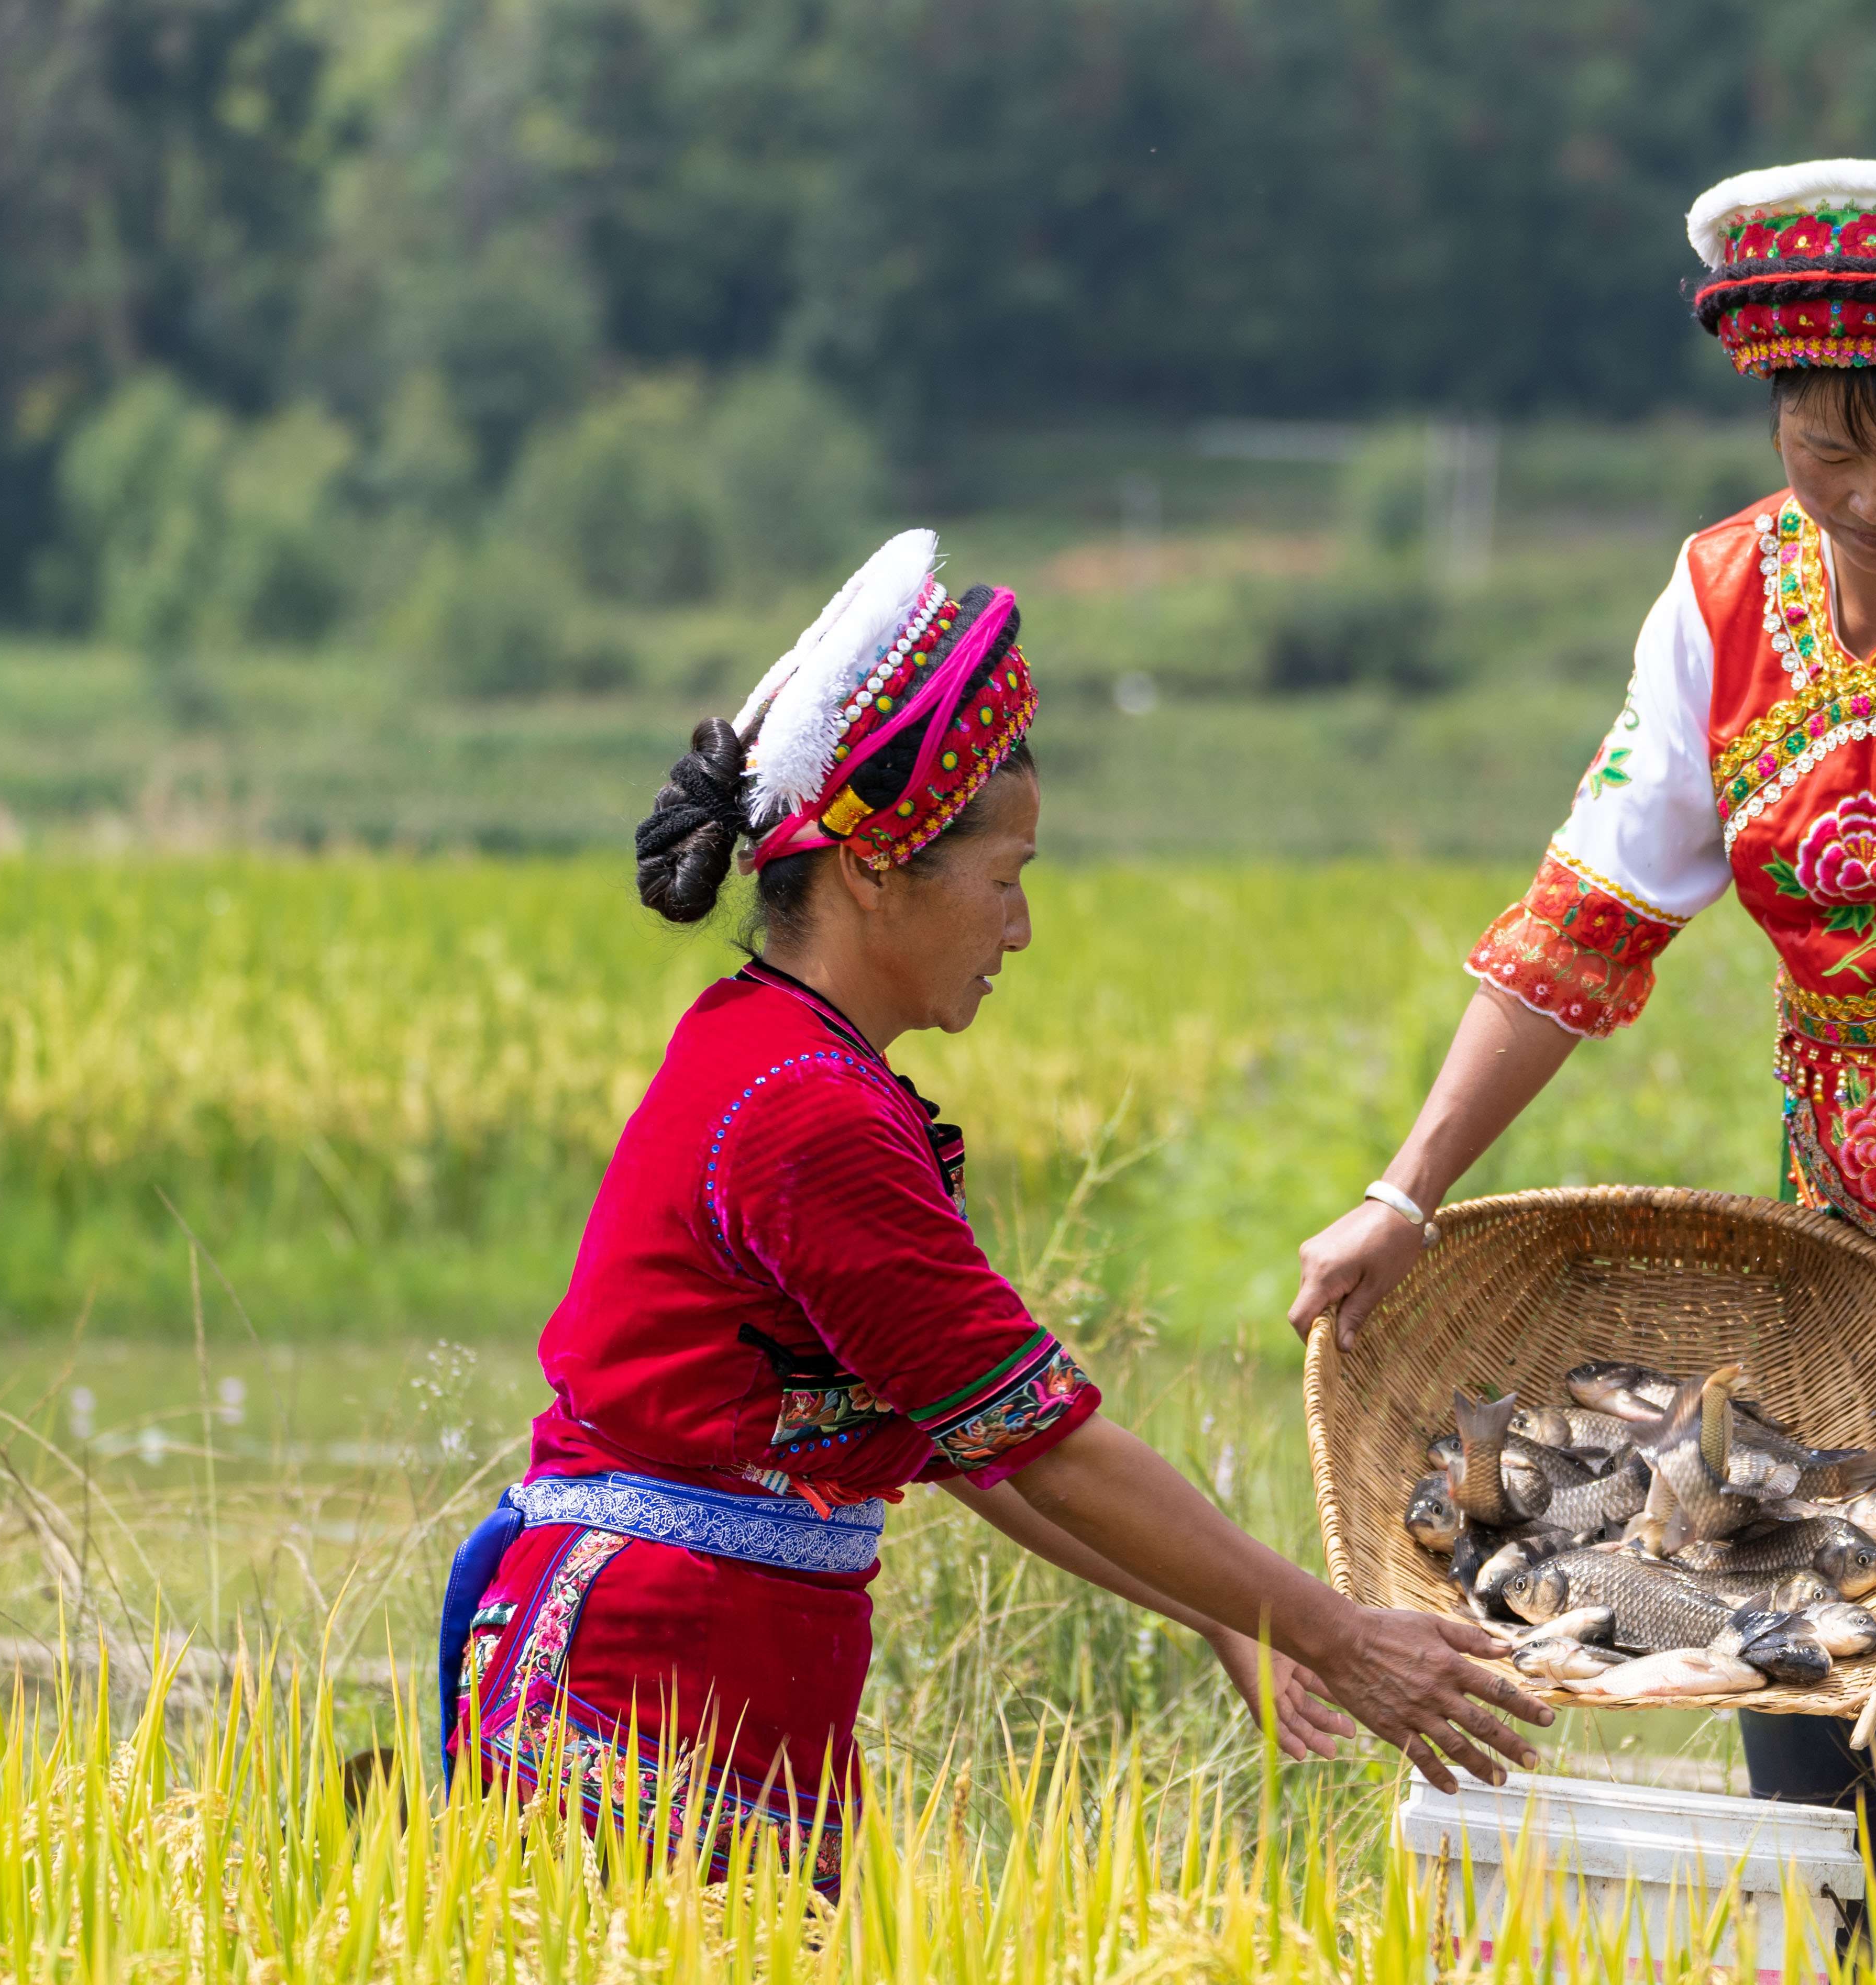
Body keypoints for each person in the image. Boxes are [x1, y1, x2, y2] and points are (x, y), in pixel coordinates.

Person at [1287, 161, 1876, 1965]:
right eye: (1829, 451)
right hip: (1855, 1139)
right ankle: (1833, 1931)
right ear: (1775, 417)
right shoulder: (1723, 596)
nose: (1873, 500)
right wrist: (1404, 1194)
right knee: (1816, 1547)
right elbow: (1586, 916)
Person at [440, 531, 1547, 1886]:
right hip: (648, 1679)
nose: (1019, 930)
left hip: (720, 1662)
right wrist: (1337, 1633)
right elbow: (1044, 1444)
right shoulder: (804, 1110)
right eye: (1006, 880)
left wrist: (1226, 1614)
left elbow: (971, 1441)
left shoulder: (788, 1060)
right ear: (874, 867)